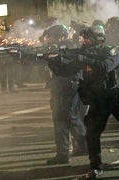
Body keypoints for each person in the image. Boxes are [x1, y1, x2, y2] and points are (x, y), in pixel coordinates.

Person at [48, 26, 119, 179]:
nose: (84, 42)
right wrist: (53, 61)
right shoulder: (82, 54)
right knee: (92, 134)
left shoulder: (110, 51)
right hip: (98, 100)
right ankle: (96, 167)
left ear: (98, 40)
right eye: (83, 39)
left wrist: (84, 59)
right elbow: (65, 70)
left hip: (117, 96)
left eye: (88, 39)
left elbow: (106, 66)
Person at [40, 24, 87, 165]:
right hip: (62, 86)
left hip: (68, 87)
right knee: (70, 118)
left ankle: (63, 153)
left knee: (63, 119)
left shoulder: (68, 47)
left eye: (52, 37)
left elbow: (66, 66)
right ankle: (82, 146)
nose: (49, 39)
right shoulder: (60, 48)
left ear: (61, 36)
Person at [0, 27, 18, 93]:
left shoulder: (10, 39)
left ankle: (11, 88)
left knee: (11, 73)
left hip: (9, 58)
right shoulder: (2, 38)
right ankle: (4, 89)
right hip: (3, 58)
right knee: (4, 74)